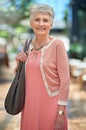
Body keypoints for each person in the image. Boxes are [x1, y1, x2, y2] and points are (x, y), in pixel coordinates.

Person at [15, 4, 70, 130]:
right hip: (29, 105)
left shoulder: (57, 45)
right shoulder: (27, 45)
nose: (41, 24)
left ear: (51, 24)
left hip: (51, 107)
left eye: (45, 20)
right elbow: (21, 78)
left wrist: (60, 114)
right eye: (37, 19)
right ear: (31, 23)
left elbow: (65, 81)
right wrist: (19, 63)